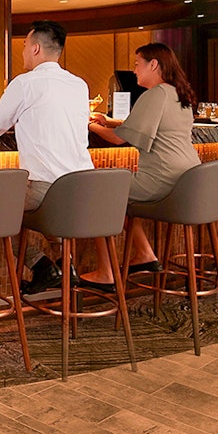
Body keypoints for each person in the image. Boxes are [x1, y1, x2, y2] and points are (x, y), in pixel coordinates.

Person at [0, 20, 94, 294]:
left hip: (47, 191)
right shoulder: (79, 85)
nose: (22, 52)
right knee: (47, 215)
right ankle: (66, 267)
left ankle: (42, 267)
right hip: (85, 190)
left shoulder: (26, 83)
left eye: (24, 46)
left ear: (36, 48)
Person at [83, 42, 200, 289]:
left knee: (99, 190)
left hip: (162, 179)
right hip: (189, 178)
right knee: (123, 193)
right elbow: (148, 125)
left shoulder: (155, 94)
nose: (135, 70)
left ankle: (106, 272)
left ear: (153, 64)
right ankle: (145, 253)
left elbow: (119, 139)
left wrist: (86, 123)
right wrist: (108, 120)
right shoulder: (176, 92)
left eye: (138, 64)